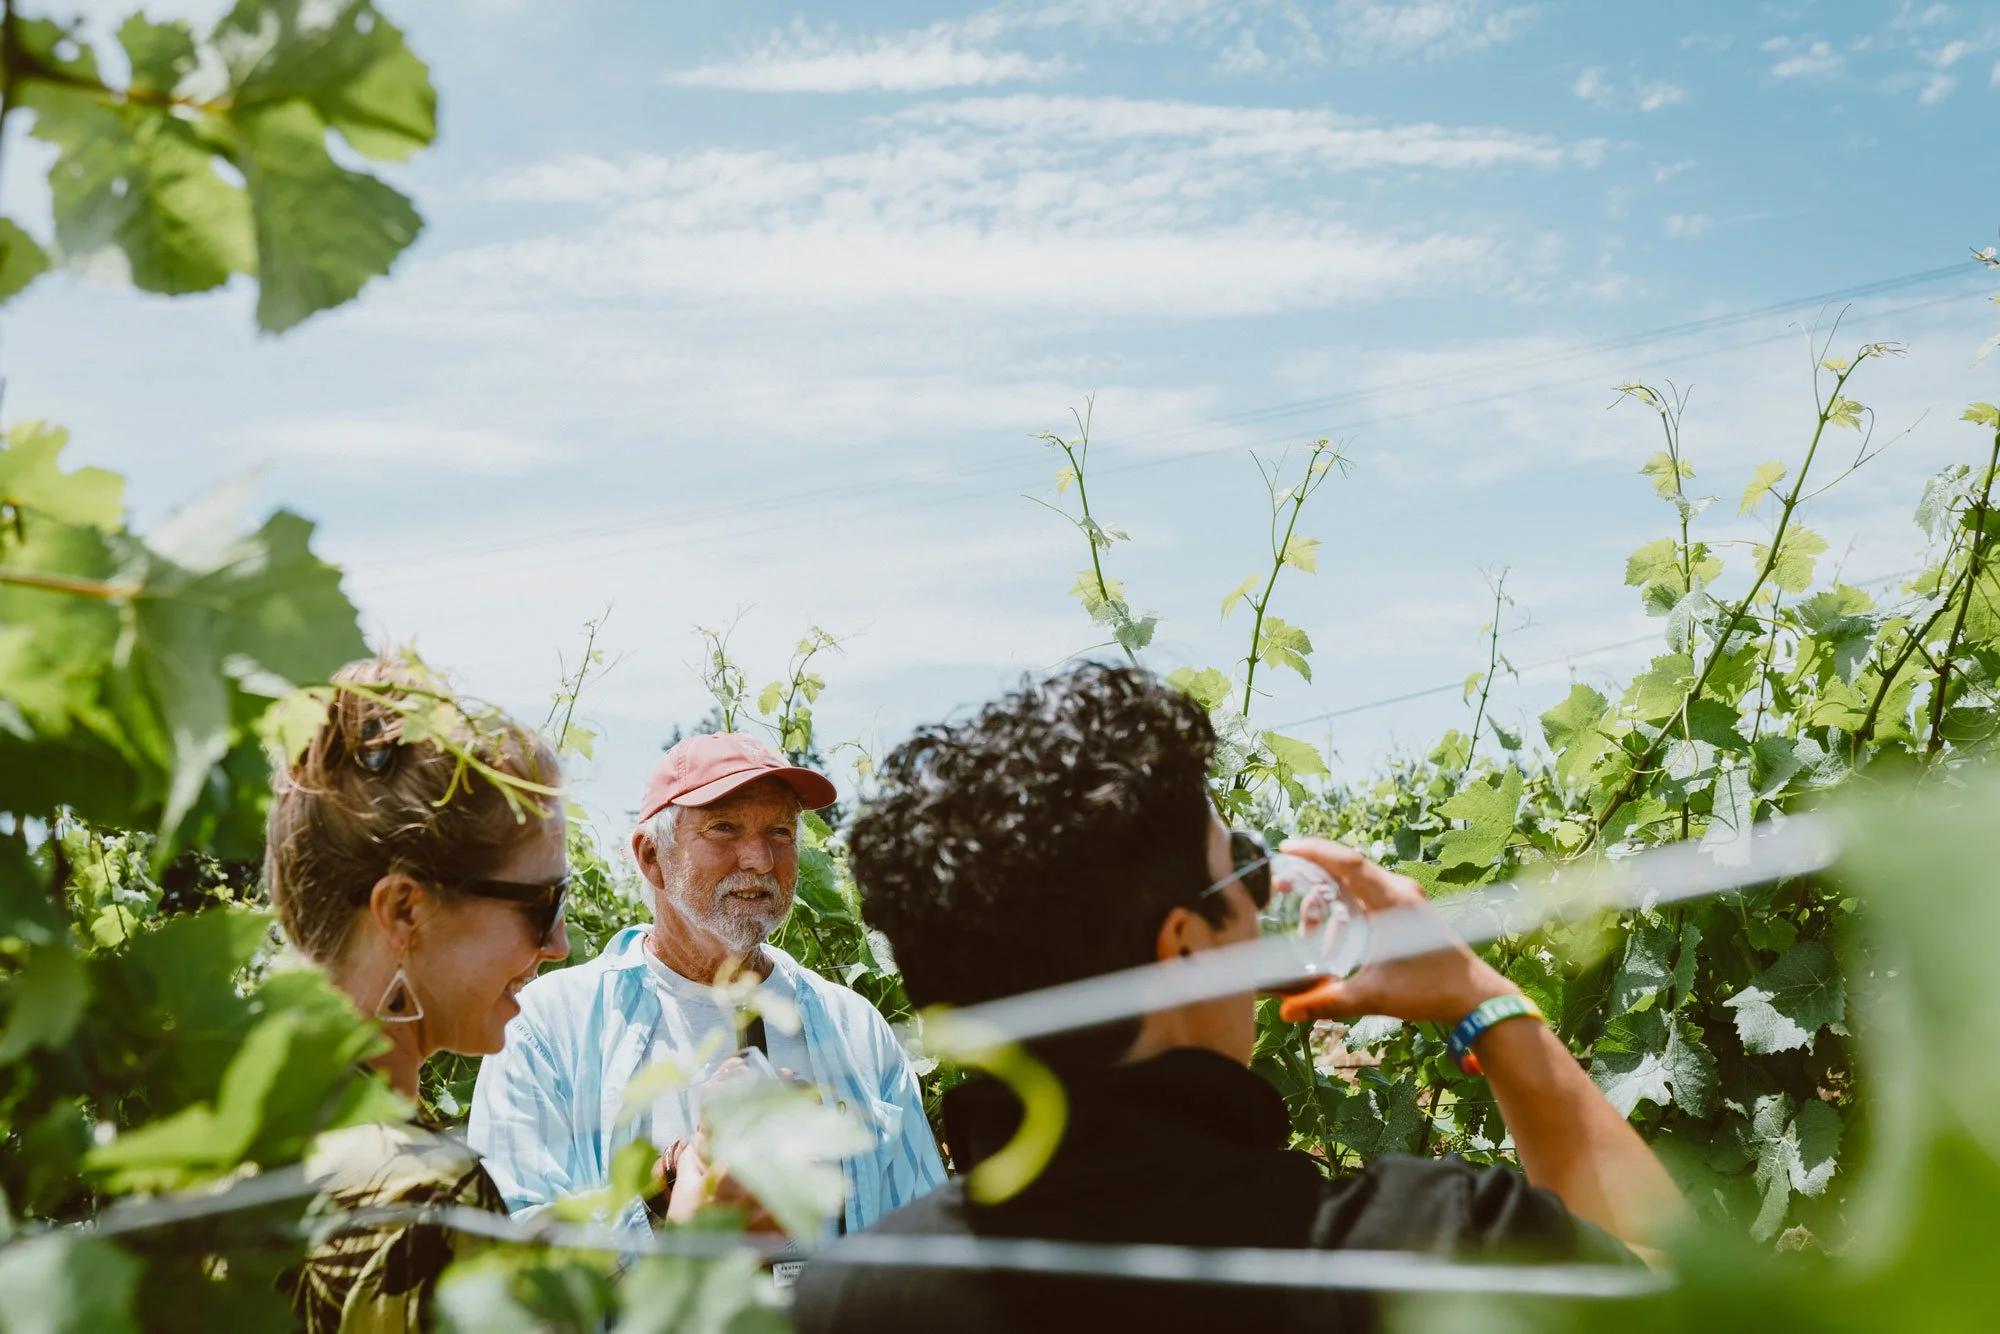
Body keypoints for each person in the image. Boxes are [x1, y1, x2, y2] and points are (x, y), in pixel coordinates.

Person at [793, 663, 1688, 1333]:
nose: (1263, 900)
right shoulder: (1433, 1250)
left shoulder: (852, 1302)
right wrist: (1479, 997)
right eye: (1244, 867)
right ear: (1185, 948)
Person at [468, 732, 945, 1235]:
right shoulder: (547, 1026)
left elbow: (925, 1242)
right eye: (724, 828)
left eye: (781, 832)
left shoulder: (856, 1029)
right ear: (652, 857)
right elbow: (504, 1250)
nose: (759, 859)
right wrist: (670, 1184)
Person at [263, 655, 573, 1333]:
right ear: (405, 911)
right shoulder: (422, 1194)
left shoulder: (219, 1148)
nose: (561, 945)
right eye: (544, 903)